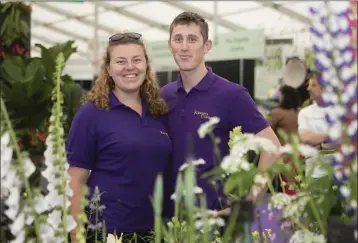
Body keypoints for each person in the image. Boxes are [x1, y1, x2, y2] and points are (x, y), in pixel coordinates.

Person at [160, 11, 281, 216]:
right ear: (170, 45)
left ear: (207, 46)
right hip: (166, 219)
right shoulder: (164, 94)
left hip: (212, 219)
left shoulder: (231, 94)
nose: (184, 47)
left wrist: (248, 205)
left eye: (192, 39)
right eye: (178, 39)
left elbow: (273, 148)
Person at [66, 32, 171, 243]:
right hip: (109, 231)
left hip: (158, 230)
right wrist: (76, 237)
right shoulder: (91, 115)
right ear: (108, 69)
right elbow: (75, 180)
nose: (130, 67)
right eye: (121, 61)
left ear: (146, 66)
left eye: (137, 60)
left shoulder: (159, 111)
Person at [298, 71, 333, 178]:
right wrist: (330, 138)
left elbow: (346, 141)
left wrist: (317, 143)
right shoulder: (305, 113)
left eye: (313, 85)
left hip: (337, 173)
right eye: (308, 85)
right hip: (314, 175)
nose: (308, 89)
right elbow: (304, 137)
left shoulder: (338, 111)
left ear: (324, 87)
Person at [269, 85, 301, 195]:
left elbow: (266, 131)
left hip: (282, 154)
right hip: (298, 152)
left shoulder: (277, 113)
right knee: (293, 185)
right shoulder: (298, 112)